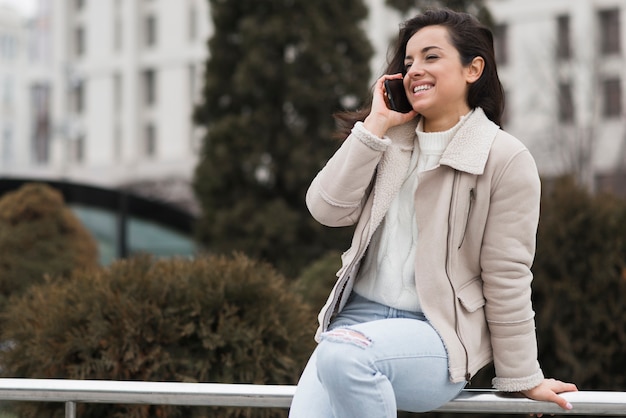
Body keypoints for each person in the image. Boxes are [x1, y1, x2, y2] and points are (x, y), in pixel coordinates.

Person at [288, 7, 578, 418]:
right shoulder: (387, 141)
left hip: (437, 335)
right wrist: (374, 126)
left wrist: (522, 375)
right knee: (331, 370)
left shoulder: (505, 158)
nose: (414, 70)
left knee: (344, 357)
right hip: (354, 325)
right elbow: (325, 209)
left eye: (431, 56)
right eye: (407, 62)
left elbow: (507, 274)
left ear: (473, 69)